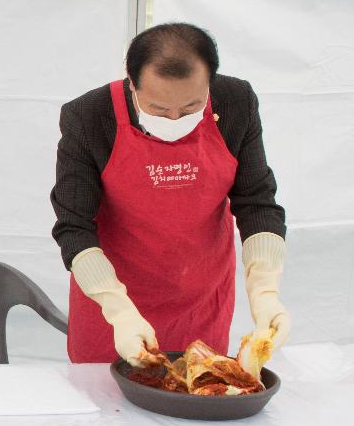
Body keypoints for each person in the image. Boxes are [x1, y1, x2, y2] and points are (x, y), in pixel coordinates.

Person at [51, 23, 290, 365]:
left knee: (202, 395)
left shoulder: (237, 103)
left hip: (201, 299)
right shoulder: (89, 117)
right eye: (160, 109)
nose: (175, 119)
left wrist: (265, 291)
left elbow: (258, 202)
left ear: (210, 81)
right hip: (112, 301)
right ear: (132, 83)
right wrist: (119, 312)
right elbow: (73, 226)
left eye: (191, 107)